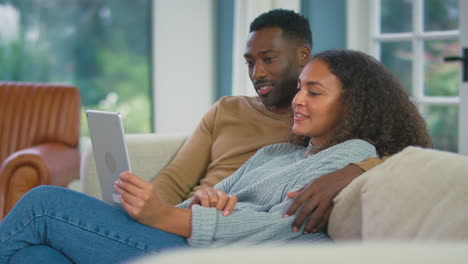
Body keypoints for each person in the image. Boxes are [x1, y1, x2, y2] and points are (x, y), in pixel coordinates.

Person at [0, 49, 431, 263]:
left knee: (43, 205)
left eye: (313, 91)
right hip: (187, 239)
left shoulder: (353, 156)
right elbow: (206, 197)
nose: (298, 100)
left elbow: (283, 231)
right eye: (300, 87)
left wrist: (169, 217)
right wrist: (203, 203)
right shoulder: (275, 153)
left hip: (200, 253)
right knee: (34, 257)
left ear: (354, 105)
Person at [152, 9, 380, 234]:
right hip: (190, 214)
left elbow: (402, 159)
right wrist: (149, 210)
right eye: (250, 63)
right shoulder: (228, 110)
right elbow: (174, 180)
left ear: (303, 55)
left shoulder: (318, 124)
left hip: (225, 227)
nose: (256, 73)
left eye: (269, 59)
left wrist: (357, 170)